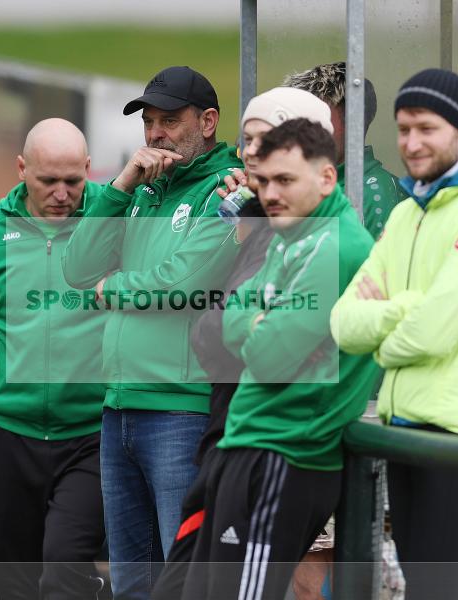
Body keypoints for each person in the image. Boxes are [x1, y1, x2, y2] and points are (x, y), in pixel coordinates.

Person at [331, 68, 458, 600]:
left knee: (436, 586)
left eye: (426, 128)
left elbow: (433, 331)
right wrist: (411, 312)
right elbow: (343, 321)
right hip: (405, 425)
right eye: (403, 129)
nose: (411, 142)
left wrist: (390, 332)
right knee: (426, 585)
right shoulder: (407, 215)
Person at [179, 118, 380, 600]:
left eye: (285, 180)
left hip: (284, 452)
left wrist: (251, 322)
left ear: (327, 178)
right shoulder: (291, 235)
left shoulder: (334, 244)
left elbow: (266, 355)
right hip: (247, 442)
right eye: (264, 180)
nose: (270, 193)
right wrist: (254, 319)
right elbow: (229, 324)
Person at [62, 66, 242, 600]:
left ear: (207, 122)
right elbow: (77, 267)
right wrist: (118, 187)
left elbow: (185, 280)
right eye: (149, 123)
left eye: (169, 121)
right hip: (118, 405)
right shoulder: (142, 188)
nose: (156, 134)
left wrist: (113, 289)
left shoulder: (227, 188)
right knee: (133, 583)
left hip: (179, 409)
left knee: (182, 577)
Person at [150, 86, 335, 600]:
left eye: (264, 141)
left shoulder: (315, 236)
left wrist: (232, 322)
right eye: (247, 141)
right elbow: (213, 330)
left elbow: (247, 344)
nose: (249, 154)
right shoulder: (255, 221)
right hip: (228, 439)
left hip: (271, 447)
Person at [0, 119, 107, 600]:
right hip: (9, 436)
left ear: (89, 169)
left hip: (91, 435)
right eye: (47, 180)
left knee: (64, 566)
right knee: (16, 585)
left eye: (73, 181)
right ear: (21, 169)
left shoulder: (114, 216)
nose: (61, 193)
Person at [285, 61, 404, 238]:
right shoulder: (292, 183)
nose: (303, 132)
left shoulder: (373, 194)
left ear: (353, 124)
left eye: (318, 121)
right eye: (298, 120)